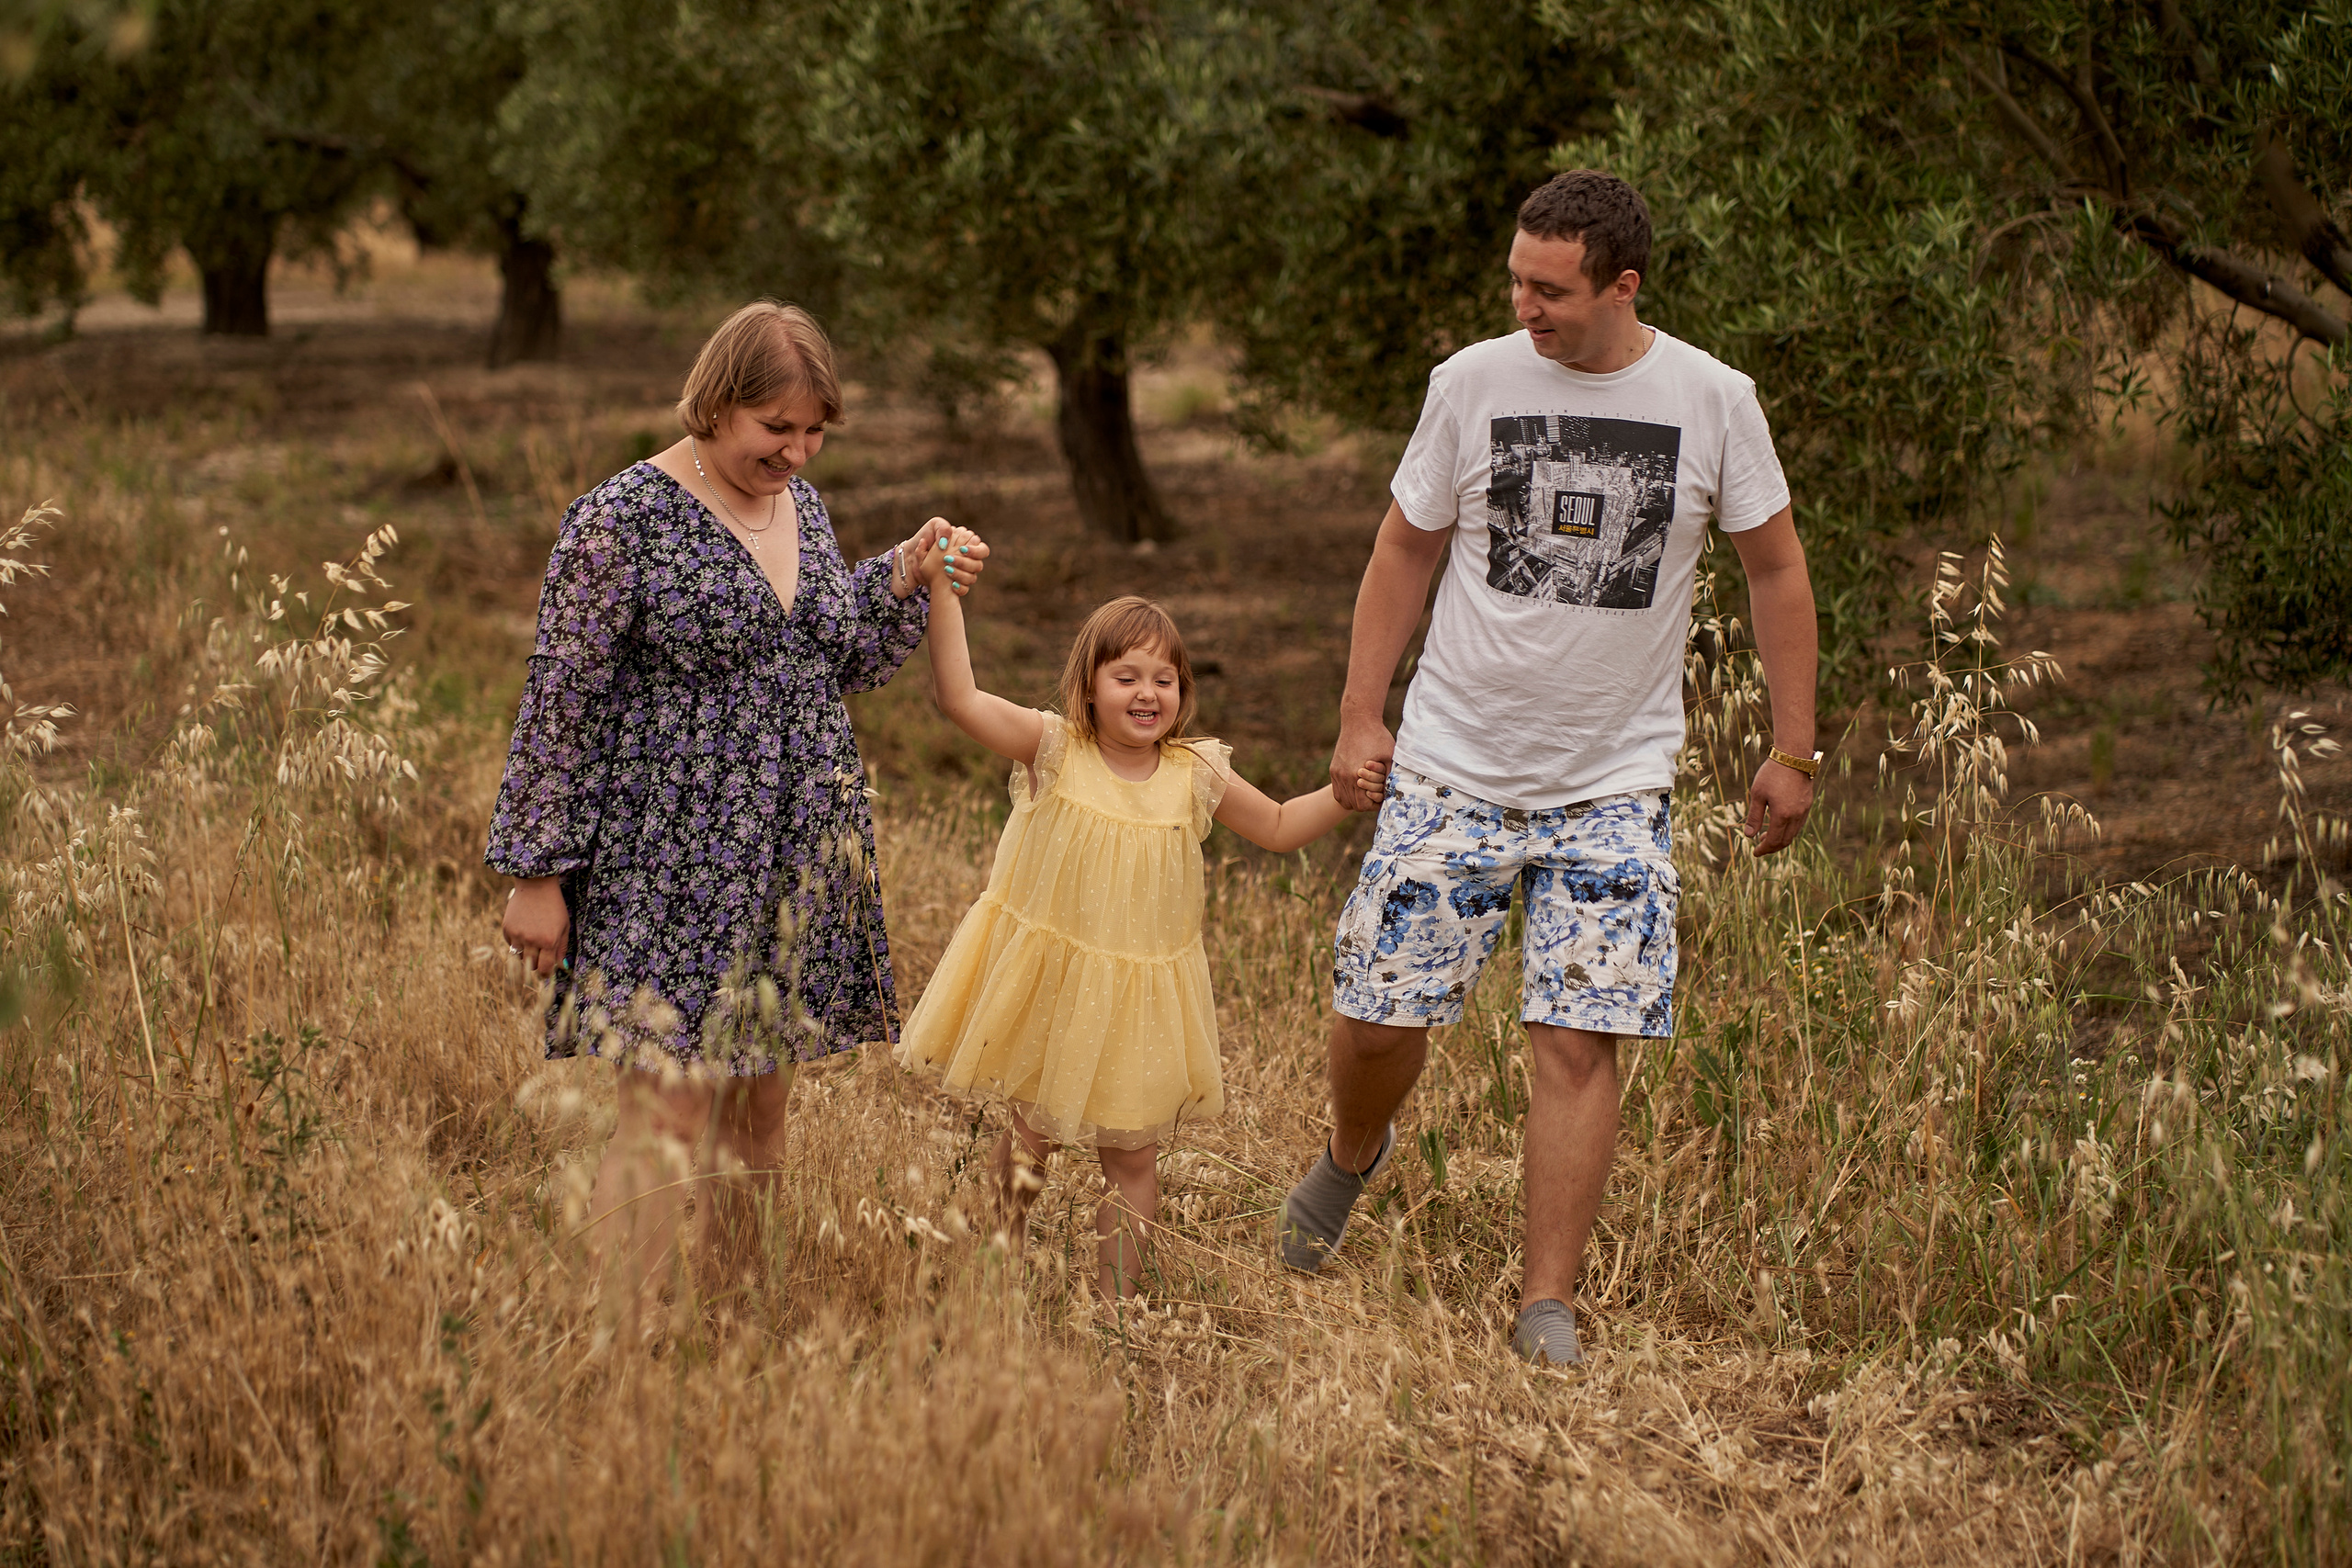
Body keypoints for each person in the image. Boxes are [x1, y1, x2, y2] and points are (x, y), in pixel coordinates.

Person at [1275, 170, 1820, 1367]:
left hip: (1614, 779)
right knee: (1375, 1011)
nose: (1524, 303)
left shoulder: (1714, 400)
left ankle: (1546, 1304)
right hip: (1454, 758)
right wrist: (1362, 714)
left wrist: (1792, 744)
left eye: (1550, 288)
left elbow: (1775, 568)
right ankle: (1355, 1150)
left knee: (1579, 1034)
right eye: (1516, 279)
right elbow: (1404, 545)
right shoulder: (1470, 384)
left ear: (1624, 285)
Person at [488, 300, 989, 1331]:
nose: (796, 451)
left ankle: (735, 1320)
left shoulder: (800, 507)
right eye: (776, 427)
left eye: (813, 432)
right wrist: (537, 874)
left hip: (787, 846)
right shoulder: (617, 520)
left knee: (761, 1098)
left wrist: (904, 569)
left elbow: (830, 647)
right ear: (715, 404)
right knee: (668, 1101)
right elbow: (559, 697)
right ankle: (630, 1339)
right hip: (667, 854)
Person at [896, 592, 1363, 1299]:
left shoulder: (1193, 773)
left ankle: (1118, 1308)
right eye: (1127, 676)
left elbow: (1275, 823)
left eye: (1164, 679)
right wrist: (944, 592)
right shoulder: (1054, 748)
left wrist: (1346, 794)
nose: (1148, 692)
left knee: (1133, 1154)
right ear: (1089, 684)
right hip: (1054, 984)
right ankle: (987, 1266)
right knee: (1031, 1136)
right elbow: (960, 697)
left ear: (1182, 690)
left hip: (1139, 997)